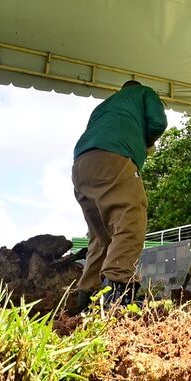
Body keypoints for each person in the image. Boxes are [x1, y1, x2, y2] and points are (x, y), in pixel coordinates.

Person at [71, 80, 167, 309]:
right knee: (131, 221)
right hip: (113, 157)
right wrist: (147, 142)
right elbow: (158, 121)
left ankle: (86, 299)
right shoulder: (144, 93)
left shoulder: (104, 106)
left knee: (101, 236)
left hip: (81, 166)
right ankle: (118, 299)